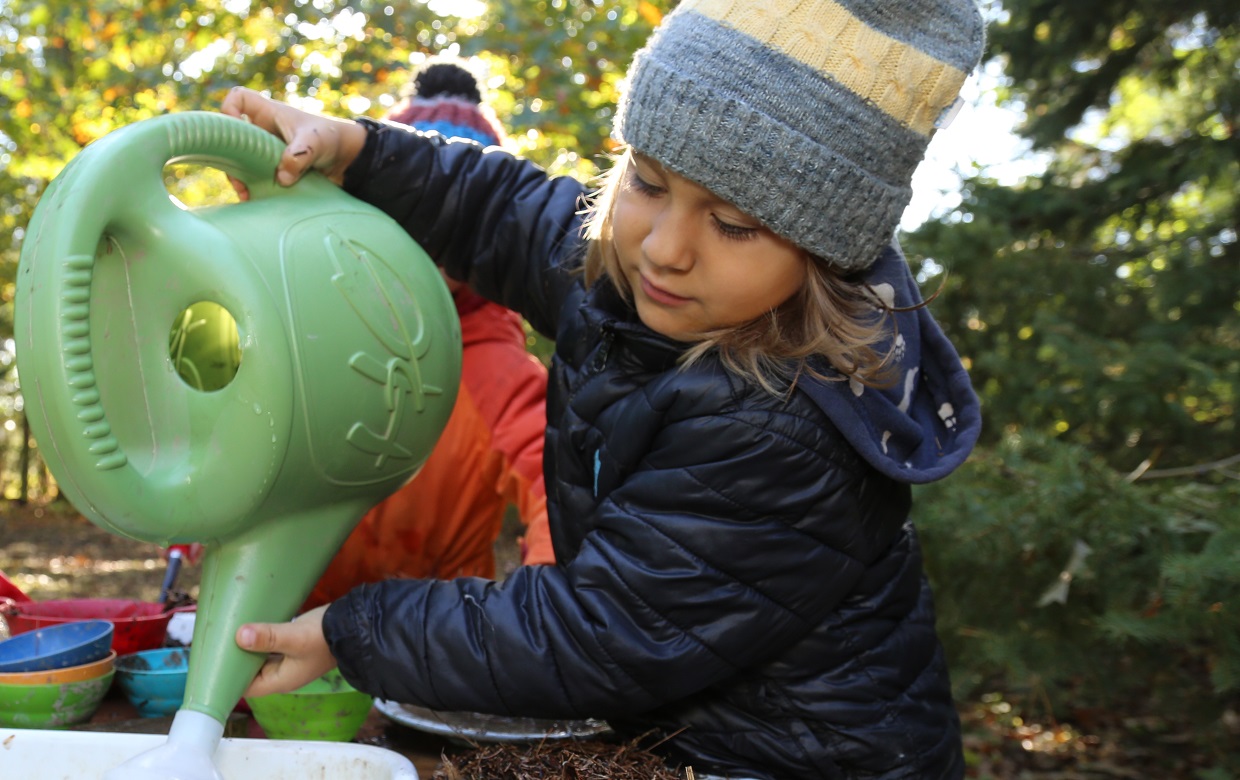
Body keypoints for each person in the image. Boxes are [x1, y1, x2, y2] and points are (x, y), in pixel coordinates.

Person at [226, 1, 986, 777]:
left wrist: (356, 632)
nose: (663, 247)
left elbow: (602, 631)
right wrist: (357, 150)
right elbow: (500, 209)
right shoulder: (630, 275)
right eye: (648, 183)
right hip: (679, 739)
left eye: (732, 225)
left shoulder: (787, 424)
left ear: (826, 252)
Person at [303, 57, 555, 610]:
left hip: (427, 649)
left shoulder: (492, 366)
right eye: (411, 211)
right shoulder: (318, 324)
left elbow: (559, 494)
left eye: (453, 219)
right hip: (287, 628)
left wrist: (541, 623)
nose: (426, 241)